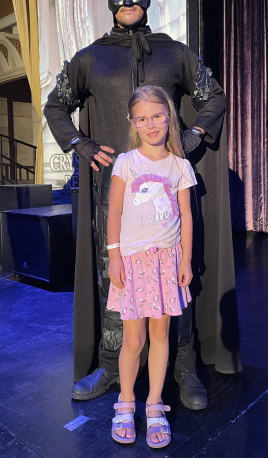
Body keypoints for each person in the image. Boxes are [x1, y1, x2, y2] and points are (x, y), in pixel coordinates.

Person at [44, 0, 241, 411]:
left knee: (178, 281)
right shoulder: (90, 58)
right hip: (113, 198)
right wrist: (81, 144)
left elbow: (214, 97)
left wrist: (191, 137)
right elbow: (56, 105)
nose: (127, 0)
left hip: (169, 198)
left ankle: (184, 369)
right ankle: (112, 368)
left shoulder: (174, 52)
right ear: (110, 0)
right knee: (116, 284)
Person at [108, 85, 196, 448]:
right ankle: (126, 402)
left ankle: (155, 404)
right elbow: (115, 211)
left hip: (166, 263)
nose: (151, 124)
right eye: (142, 119)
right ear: (132, 122)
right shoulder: (126, 162)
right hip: (132, 262)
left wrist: (186, 259)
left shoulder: (180, 166)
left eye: (157, 116)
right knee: (134, 339)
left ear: (169, 117)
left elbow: (186, 215)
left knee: (160, 335)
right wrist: (114, 256)